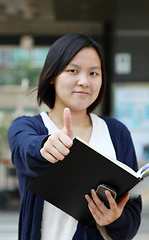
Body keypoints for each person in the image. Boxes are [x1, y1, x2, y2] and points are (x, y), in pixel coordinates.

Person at [8, 33, 142, 240]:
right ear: (52, 75)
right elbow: (25, 149)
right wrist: (45, 147)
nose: (84, 82)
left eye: (94, 74)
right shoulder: (28, 127)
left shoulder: (117, 133)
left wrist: (115, 219)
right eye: (73, 71)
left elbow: (130, 224)